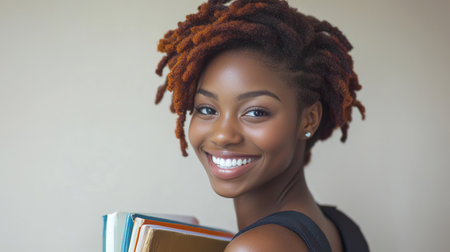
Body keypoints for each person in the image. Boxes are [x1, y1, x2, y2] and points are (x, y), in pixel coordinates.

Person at [154, 0, 369, 251]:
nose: (223, 135)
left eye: (255, 112)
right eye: (207, 109)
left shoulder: (255, 247)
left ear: (309, 118)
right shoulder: (341, 226)